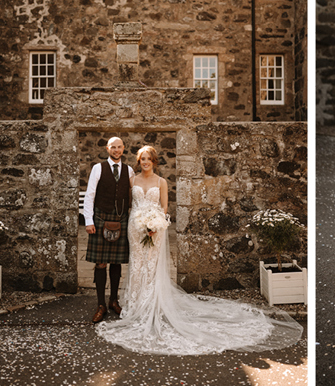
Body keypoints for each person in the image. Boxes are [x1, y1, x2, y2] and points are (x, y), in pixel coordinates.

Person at [95, 145, 303, 355]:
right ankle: (135, 305)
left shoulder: (161, 182)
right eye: (142, 159)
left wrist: (155, 224)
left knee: (152, 265)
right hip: (135, 227)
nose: (146, 162)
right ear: (138, 162)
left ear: (154, 161)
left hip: (154, 229)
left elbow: (164, 208)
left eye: (149, 159)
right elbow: (129, 204)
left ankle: (152, 305)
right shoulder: (132, 180)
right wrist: (137, 222)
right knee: (137, 264)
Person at [83, 136, 134, 323]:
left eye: (120, 147)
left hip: (121, 219)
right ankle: (100, 304)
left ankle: (114, 301)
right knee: (101, 263)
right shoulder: (98, 168)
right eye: (113, 147)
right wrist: (88, 220)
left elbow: (135, 194)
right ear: (107, 148)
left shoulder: (129, 171)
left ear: (123, 148)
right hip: (100, 218)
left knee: (116, 262)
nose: (117, 150)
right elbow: (90, 195)